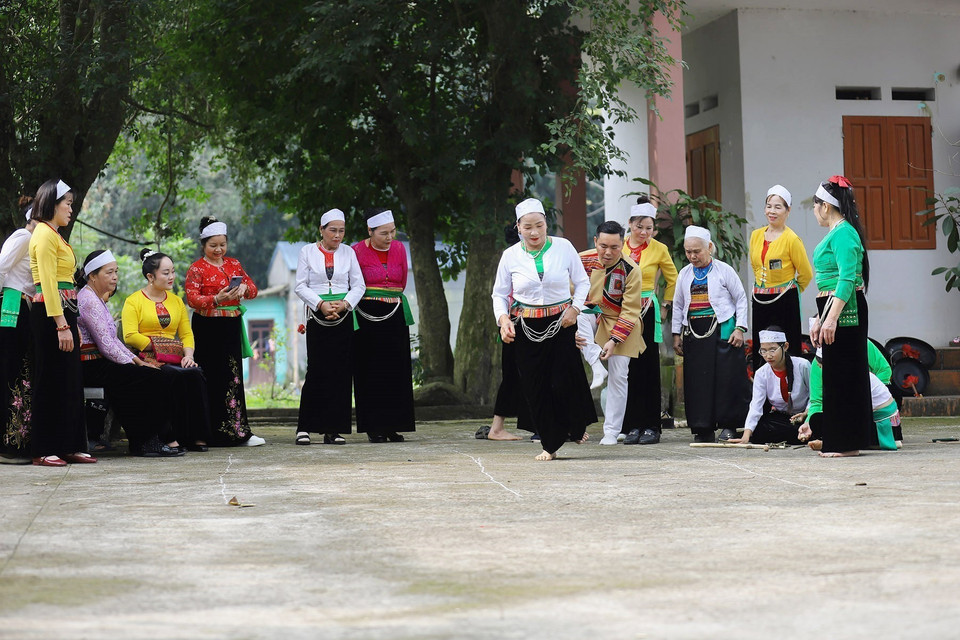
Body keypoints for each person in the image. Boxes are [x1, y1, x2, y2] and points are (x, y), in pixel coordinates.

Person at [492, 197, 596, 461]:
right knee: (534, 385)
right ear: (518, 227)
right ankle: (549, 444)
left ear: (547, 224)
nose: (534, 232)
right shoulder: (510, 256)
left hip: (561, 322)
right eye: (528, 227)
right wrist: (503, 320)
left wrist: (575, 308)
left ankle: (572, 427)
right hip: (526, 325)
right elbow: (499, 294)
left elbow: (582, 282)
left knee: (563, 380)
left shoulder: (563, 247)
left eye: (539, 225)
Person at [76, 250, 182, 457]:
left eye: (116, 271)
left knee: (148, 375)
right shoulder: (88, 300)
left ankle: (149, 439)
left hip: (100, 362)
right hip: (89, 364)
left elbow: (114, 340)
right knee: (147, 378)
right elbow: (106, 345)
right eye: (109, 272)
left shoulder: (96, 298)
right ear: (92, 276)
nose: (115, 276)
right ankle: (145, 441)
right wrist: (136, 363)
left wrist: (135, 361)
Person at [27, 179, 94, 466]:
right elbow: (48, 282)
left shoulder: (56, 235)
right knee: (50, 378)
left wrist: (68, 321)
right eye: (66, 203)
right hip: (50, 315)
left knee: (69, 379)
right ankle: (44, 448)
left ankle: (68, 444)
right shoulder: (43, 234)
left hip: (65, 312)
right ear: (51, 204)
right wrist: (61, 325)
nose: (70, 208)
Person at [185, 216, 264, 447]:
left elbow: (253, 289)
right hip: (207, 328)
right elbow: (192, 299)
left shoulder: (234, 265)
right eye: (213, 245)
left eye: (222, 245)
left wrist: (243, 289)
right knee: (209, 378)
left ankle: (239, 432)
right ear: (203, 245)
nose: (218, 250)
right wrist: (216, 299)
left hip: (230, 327)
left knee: (232, 378)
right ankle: (207, 434)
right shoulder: (196, 269)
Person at [808, 176, 873, 458]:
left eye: (815, 205)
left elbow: (847, 279)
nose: (813, 211)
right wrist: (821, 318)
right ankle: (842, 440)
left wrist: (831, 318)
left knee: (845, 375)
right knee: (835, 376)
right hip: (834, 308)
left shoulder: (844, 233)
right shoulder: (836, 233)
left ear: (825, 206)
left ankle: (847, 443)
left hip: (847, 310)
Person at [122, 249, 212, 452]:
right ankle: (169, 436)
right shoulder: (133, 301)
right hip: (148, 358)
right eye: (165, 272)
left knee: (195, 374)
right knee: (168, 376)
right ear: (150, 276)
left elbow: (187, 334)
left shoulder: (176, 301)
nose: (171, 277)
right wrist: (159, 347)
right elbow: (130, 336)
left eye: (172, 271)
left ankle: (196, 436)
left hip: (174, 357)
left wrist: (188, 356)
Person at [672, 225, 751, 443]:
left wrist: (740, 328)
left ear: (709, 247)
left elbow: (741, 299)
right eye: (688, 251)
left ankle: (728, 426)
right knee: (698, 381)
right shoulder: (684, 274)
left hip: (722, 329)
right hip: (695, 332)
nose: (692, 256)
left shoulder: (724, 270)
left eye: (697, 251)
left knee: (726, 379)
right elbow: (678, 306)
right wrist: (676, 334)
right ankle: (702, 427)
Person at [294, 208, 365, 445]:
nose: (337, 235)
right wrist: (321, 304)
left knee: (341, 371)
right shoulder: (307, 251)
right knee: (316, 370)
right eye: (332, 230)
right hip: (318, 315)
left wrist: (344, 304)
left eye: (341, 231)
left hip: (343, 315)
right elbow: (300, 285)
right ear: (321, 230)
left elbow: (359, 285)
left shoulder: (349, 253)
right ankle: (304, 427)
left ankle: (333, 429)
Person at [578, 220, 645, 446]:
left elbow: (630, 311)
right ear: (595, 241)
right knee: (577, 314)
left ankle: (611, 431)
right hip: (591, 314)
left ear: (622, 245)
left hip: (620, 322)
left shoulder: (632, 269)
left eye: (614, 247)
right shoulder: (581, 260)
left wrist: (614, 340)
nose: (608, 252)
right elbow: (570, 294)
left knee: (619, 375)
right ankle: (596, 364)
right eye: (603, 245)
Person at [351, 209, 415, 442]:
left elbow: (402, 281)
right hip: (367, 313)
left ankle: (393, 425)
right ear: (370, 231)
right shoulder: (356, 251)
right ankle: (373, 426)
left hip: (395, 311)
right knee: (370, 369)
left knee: (395, 369)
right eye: (383, 233)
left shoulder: (399, 248)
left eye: (392, 232)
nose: (389, 238)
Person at [621, 197, 678, 445]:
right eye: (639, 227)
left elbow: (673, 278)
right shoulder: (619, 247)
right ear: (630, 224)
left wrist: (665, 305)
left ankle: (651, 425)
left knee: (648, 367)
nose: (644, 232)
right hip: (621, 310)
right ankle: (631, 425)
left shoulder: (658, 249)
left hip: (647, 308)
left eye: (649, 228)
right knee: (626, 368)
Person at [748, 185, 813, 372]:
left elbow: (806, 273)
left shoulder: (792, 239)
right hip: (760, 298)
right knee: (762, 349)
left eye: (778, 207)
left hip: (785, 300)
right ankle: (765, 399)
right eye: (769, 206)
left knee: (787, 348)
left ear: (788, 210)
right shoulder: (755, 236)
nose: (772, 211)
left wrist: (791, 291)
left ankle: (791, 393)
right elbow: (755, 264)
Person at [799, 340, 900, 451]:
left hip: (879, 421)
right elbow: (818, 402)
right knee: (816, 420)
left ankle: (841, 444)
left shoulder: (848, 374)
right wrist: (808, 423)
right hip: (864, 413)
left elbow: (848, 411)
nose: (822, 370)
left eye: (823, 367)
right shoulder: (843, 369)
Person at [0, 198, 38, 462]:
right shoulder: (24, 236)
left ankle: (16, 442)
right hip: (11, 303)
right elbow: (1, 266)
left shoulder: (37, 241)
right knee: (10, 368)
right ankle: (7, 445)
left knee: (19, 370)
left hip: (23, 305)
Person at [729, 327, 810, 445]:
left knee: (819, 421)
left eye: (772, 350)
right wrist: (745, 436)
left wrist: (806, 414)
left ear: (785, 347)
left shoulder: (803, 365)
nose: (768, 355)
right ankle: (801, 436)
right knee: (760, 429)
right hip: (783, 419)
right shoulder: (761, 373)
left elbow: (815, 396)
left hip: (806, 415)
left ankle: (805, 433)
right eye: (763, 351)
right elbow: (756, 405)